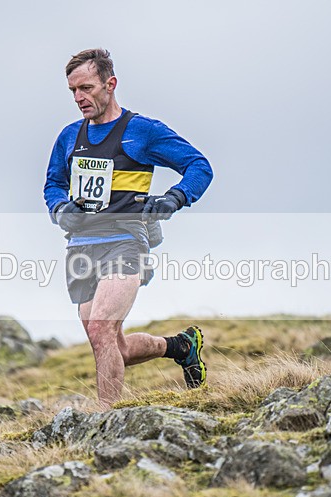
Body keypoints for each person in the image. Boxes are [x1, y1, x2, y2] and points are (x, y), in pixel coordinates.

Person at [43, 48, 213, 410]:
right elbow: (53, 183)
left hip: (126, 240)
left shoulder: (142, 132)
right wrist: (60, 209)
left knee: (102, 328)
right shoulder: (69, 136)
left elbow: (199, 165)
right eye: (72, 91)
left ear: (110, 84)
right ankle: (180, 346)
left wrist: (174, 198)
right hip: (82, 246)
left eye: (86, 88)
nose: (79, 98)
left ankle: (105, 422)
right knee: (109, 342)